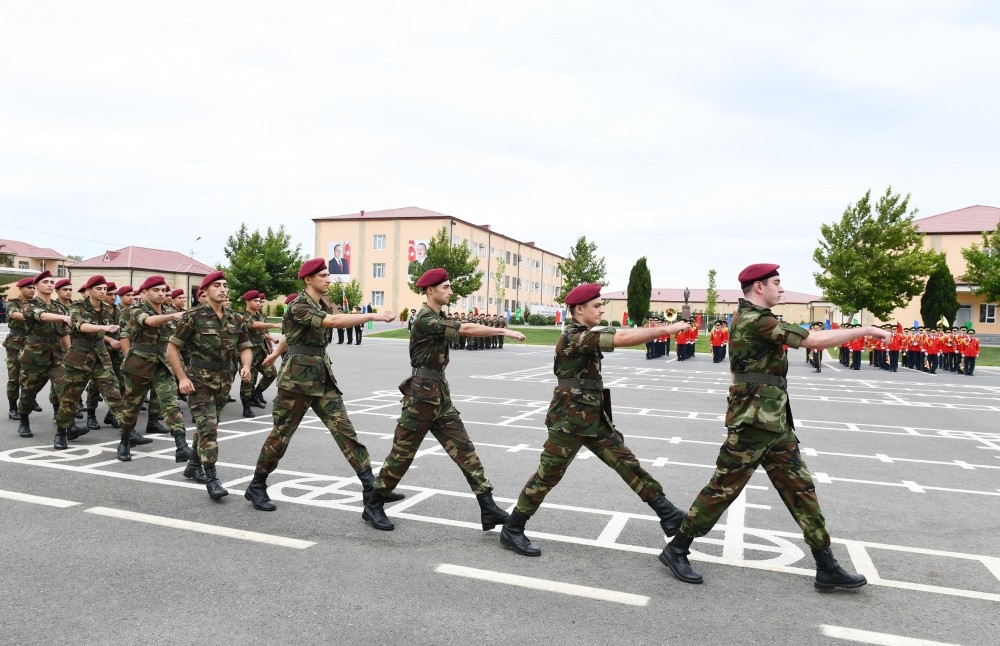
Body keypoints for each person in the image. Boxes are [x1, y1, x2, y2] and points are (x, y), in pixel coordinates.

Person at [659, 263, 890, 591]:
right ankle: (676, 548)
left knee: (801, 489)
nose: (781, 289)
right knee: (723, 489)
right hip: (754, 423)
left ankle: (827, 565)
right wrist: (863, 331)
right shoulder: (757, 320)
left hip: (774, 421)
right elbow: (815, 341)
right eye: (776, 283)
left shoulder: (751, 319)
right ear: (758, 288)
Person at [498, 283, 692, 557]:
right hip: (568, 421)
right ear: (580, 310)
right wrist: (667, 329)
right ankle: (513, 528)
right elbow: (623, 338)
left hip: (593, 419)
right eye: (597, 306)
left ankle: (667, 513)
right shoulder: (574, 337)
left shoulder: (586, 333)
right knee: (547, 476)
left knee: (627, 464)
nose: (602, 309)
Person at [362, 268, 526, 531]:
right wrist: (504, 332)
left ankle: (488, 507)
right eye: (446, 287)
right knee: (403, 453)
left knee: (464, 450)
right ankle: (374, 503)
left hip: (440, 394)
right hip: (420, 396)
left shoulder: (440, 316)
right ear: (430, 291)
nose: (450, 292)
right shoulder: (425, 319)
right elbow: (468, 329)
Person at [243, 258, 394, 512]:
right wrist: (372, 316)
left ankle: (372, 491)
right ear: (308, 279)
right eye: (323, 275)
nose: (328, 279)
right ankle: (257, 485)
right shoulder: (299, 304)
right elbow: (332, 323)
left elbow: (291, 336)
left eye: (328, 275)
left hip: (323, 378)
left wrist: (276, 353)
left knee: (346, 433)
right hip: (297, 382)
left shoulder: (323, 303)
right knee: (281, 436)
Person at [167, 271, 252, 500]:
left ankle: (193, 464)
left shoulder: (236, 318)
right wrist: (182, 378)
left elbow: (245, 346)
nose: (223, 289)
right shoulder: (192, 317)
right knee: (208, 428)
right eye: (217, 285)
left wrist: (246, 365)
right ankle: (212, 478)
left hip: (225, 379)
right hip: (198, 381)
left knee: (208, 426)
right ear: (204, 292)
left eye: (225, 285)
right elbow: (172, 348)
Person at [117, 276, 194, 462]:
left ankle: (181, 446)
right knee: (132, 407)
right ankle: (125, 440)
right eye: (156, 290)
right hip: (139, 364)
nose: (161, 294)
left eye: (163, 291)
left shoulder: (168, 310)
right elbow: (149, 321)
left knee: (171, 404)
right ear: (145, 292)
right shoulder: (135, 310)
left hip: (162, 364)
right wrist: (172, 316)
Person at [53, 276, 127, 450]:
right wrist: (103, 328)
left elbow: (122, 328)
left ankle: (127, 432)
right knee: (70, 398)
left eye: (104, 289)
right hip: (79, 357)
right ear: (88, 290)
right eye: (98, 289)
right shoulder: (75, 307)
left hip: (101, 357)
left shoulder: (109, 310)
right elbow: (81, 326)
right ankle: (61, 433)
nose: (102, 292)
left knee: (114, 395)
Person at [15, 271, 72, 440]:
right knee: (28, 392)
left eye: (51, 282)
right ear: (36, 285)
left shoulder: (59, 307)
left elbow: (65, 332)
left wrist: (69, 353)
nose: (49, 284)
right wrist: (62, 317)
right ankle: (24, 421)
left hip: (57, 356)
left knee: (66, 391)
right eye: (45, 281)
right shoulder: (28, 305)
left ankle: (64, 429)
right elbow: (42, 316)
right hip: (34, 355)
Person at [238, 290, 281, 418]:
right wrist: (275, 324)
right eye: (255, 301)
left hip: (260, 350)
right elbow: (254, 326)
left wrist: (270, 348)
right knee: (248, 380)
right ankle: (246, 407)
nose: (258, 303)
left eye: (259, 301)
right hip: (248, 352)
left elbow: (262, 333)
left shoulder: (260, 315)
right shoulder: (243, 316)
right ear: (247, 301)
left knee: (271, 373)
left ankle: (256, 394)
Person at [5, 278, 37, 420]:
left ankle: (30, 399)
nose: (32, 290)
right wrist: (37, 316)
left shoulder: (36, 303)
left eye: (33, 288)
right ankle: (13, 407)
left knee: (33, 375)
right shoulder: (13, 302)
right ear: (21, 288)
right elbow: (14, 314)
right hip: (16, 343)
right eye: (29, 287)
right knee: (14, 376)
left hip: (33, 342)